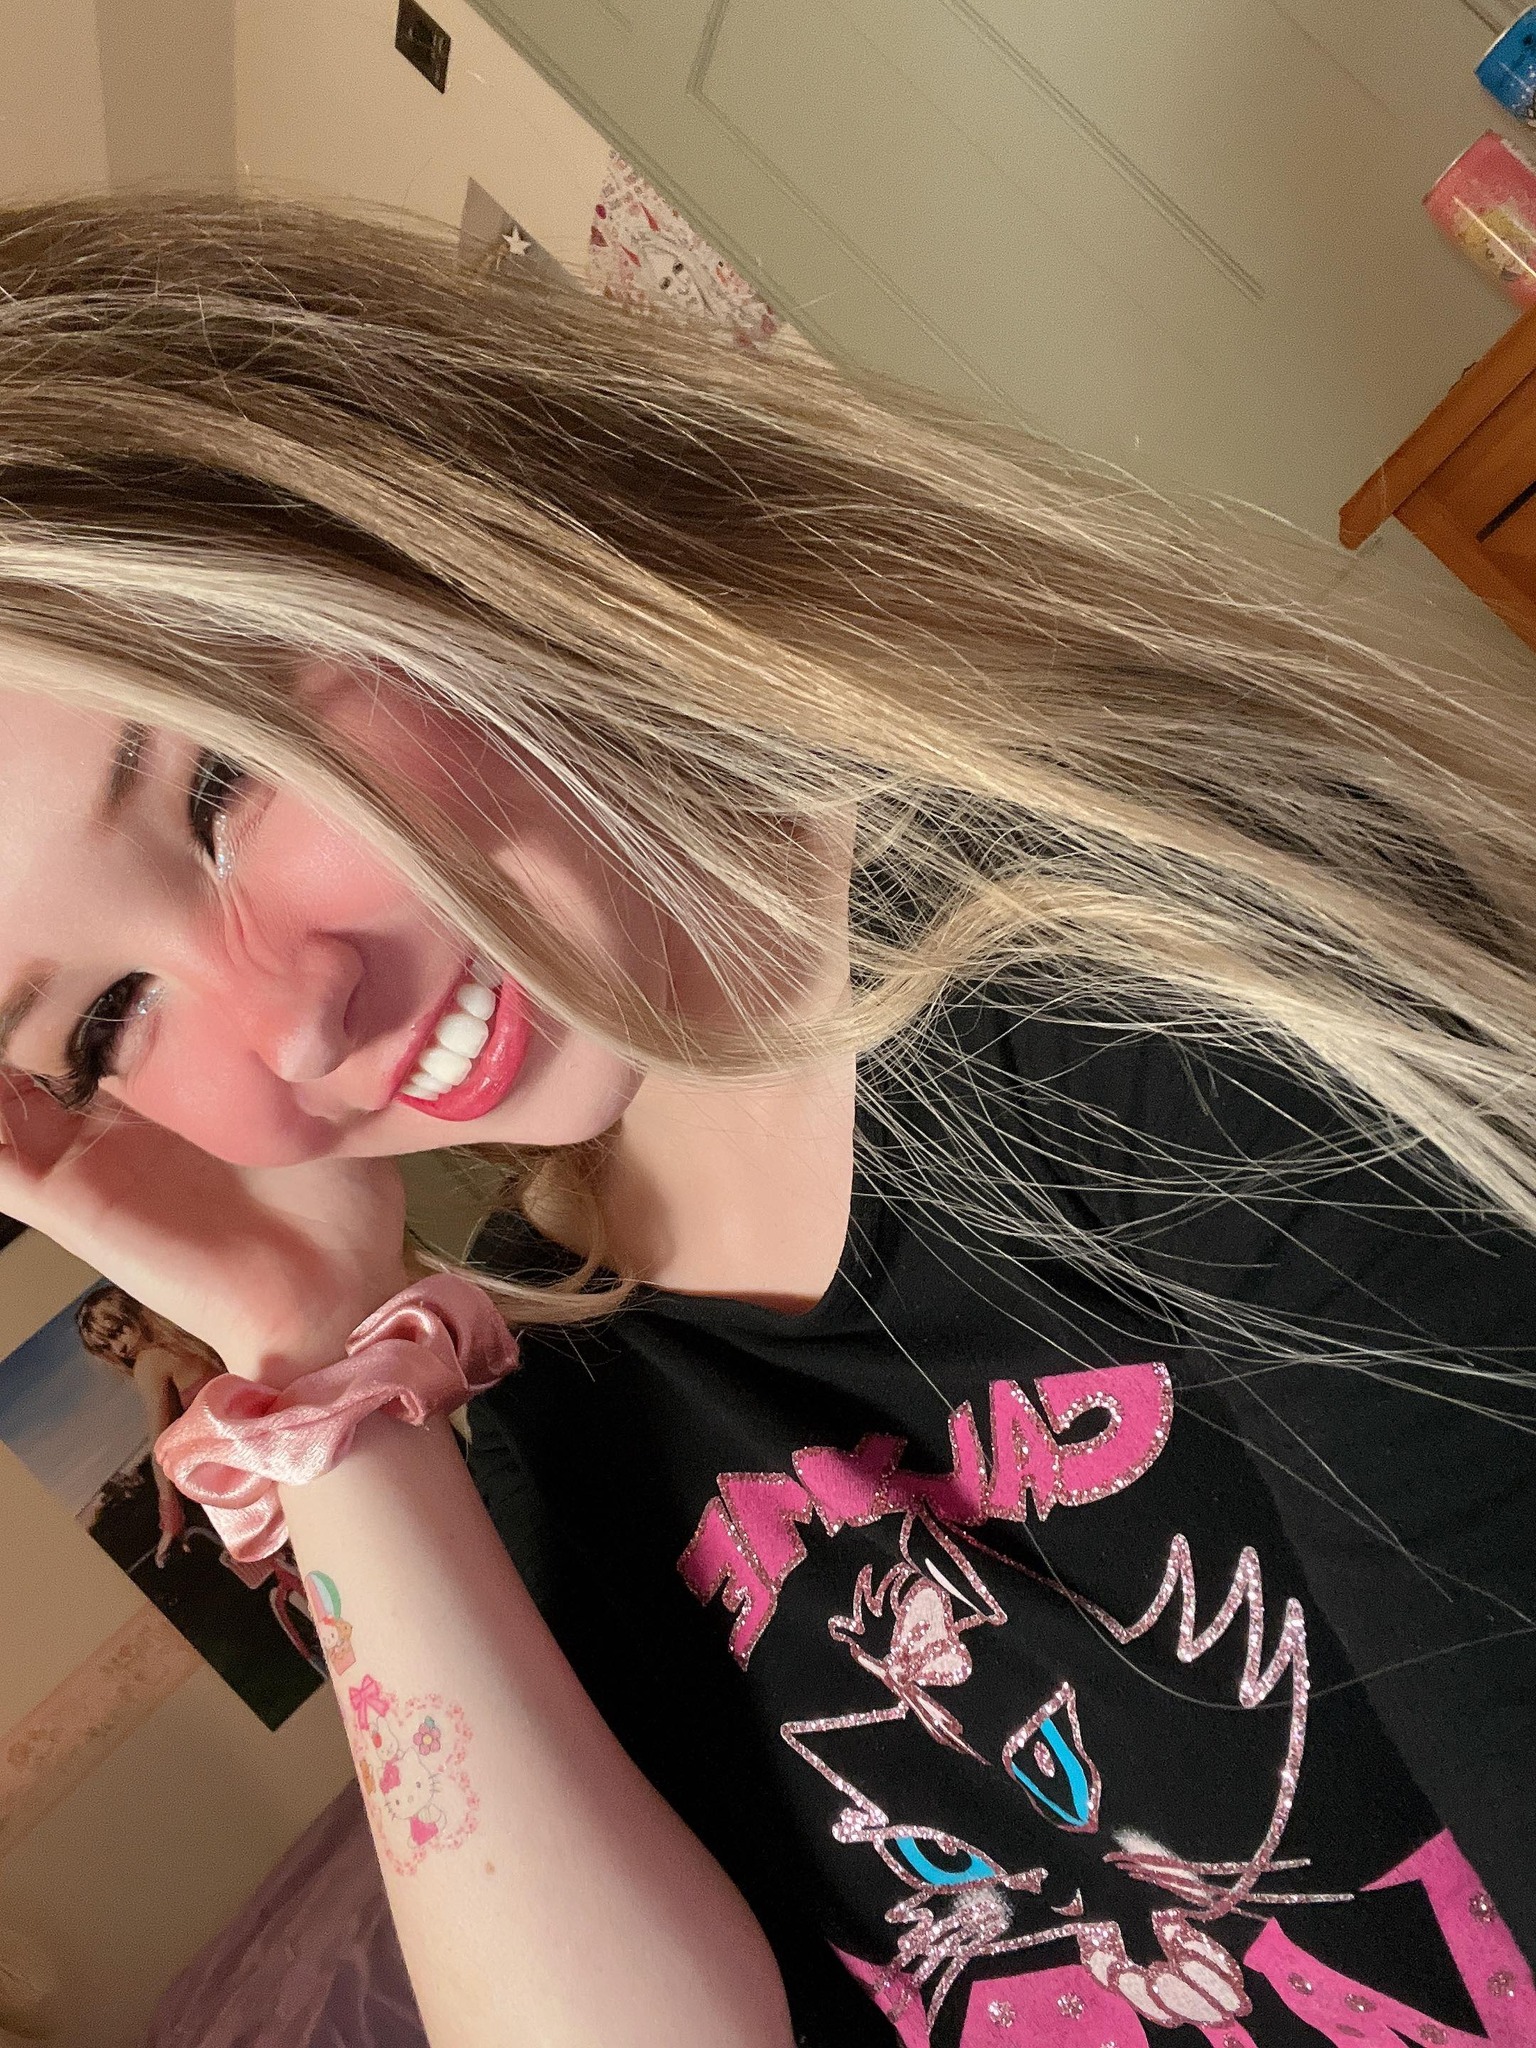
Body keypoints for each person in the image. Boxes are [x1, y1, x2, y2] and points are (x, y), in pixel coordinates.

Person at [0, 189, 1528, 2046]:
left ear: (406, 515)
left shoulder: (1144, 981)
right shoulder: (539, 1387)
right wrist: (316, 1367)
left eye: (220, 784)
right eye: (104, 1022)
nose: (293, 1013)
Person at [75, 1283, 224, 1564]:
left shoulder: (149, 1363)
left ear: (132, 1312)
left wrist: (171, 1520)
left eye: (117, 1332)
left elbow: (161, 1449)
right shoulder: (188, 1332)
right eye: (106, 1346)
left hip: (238, 1472)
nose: (119, 1349)